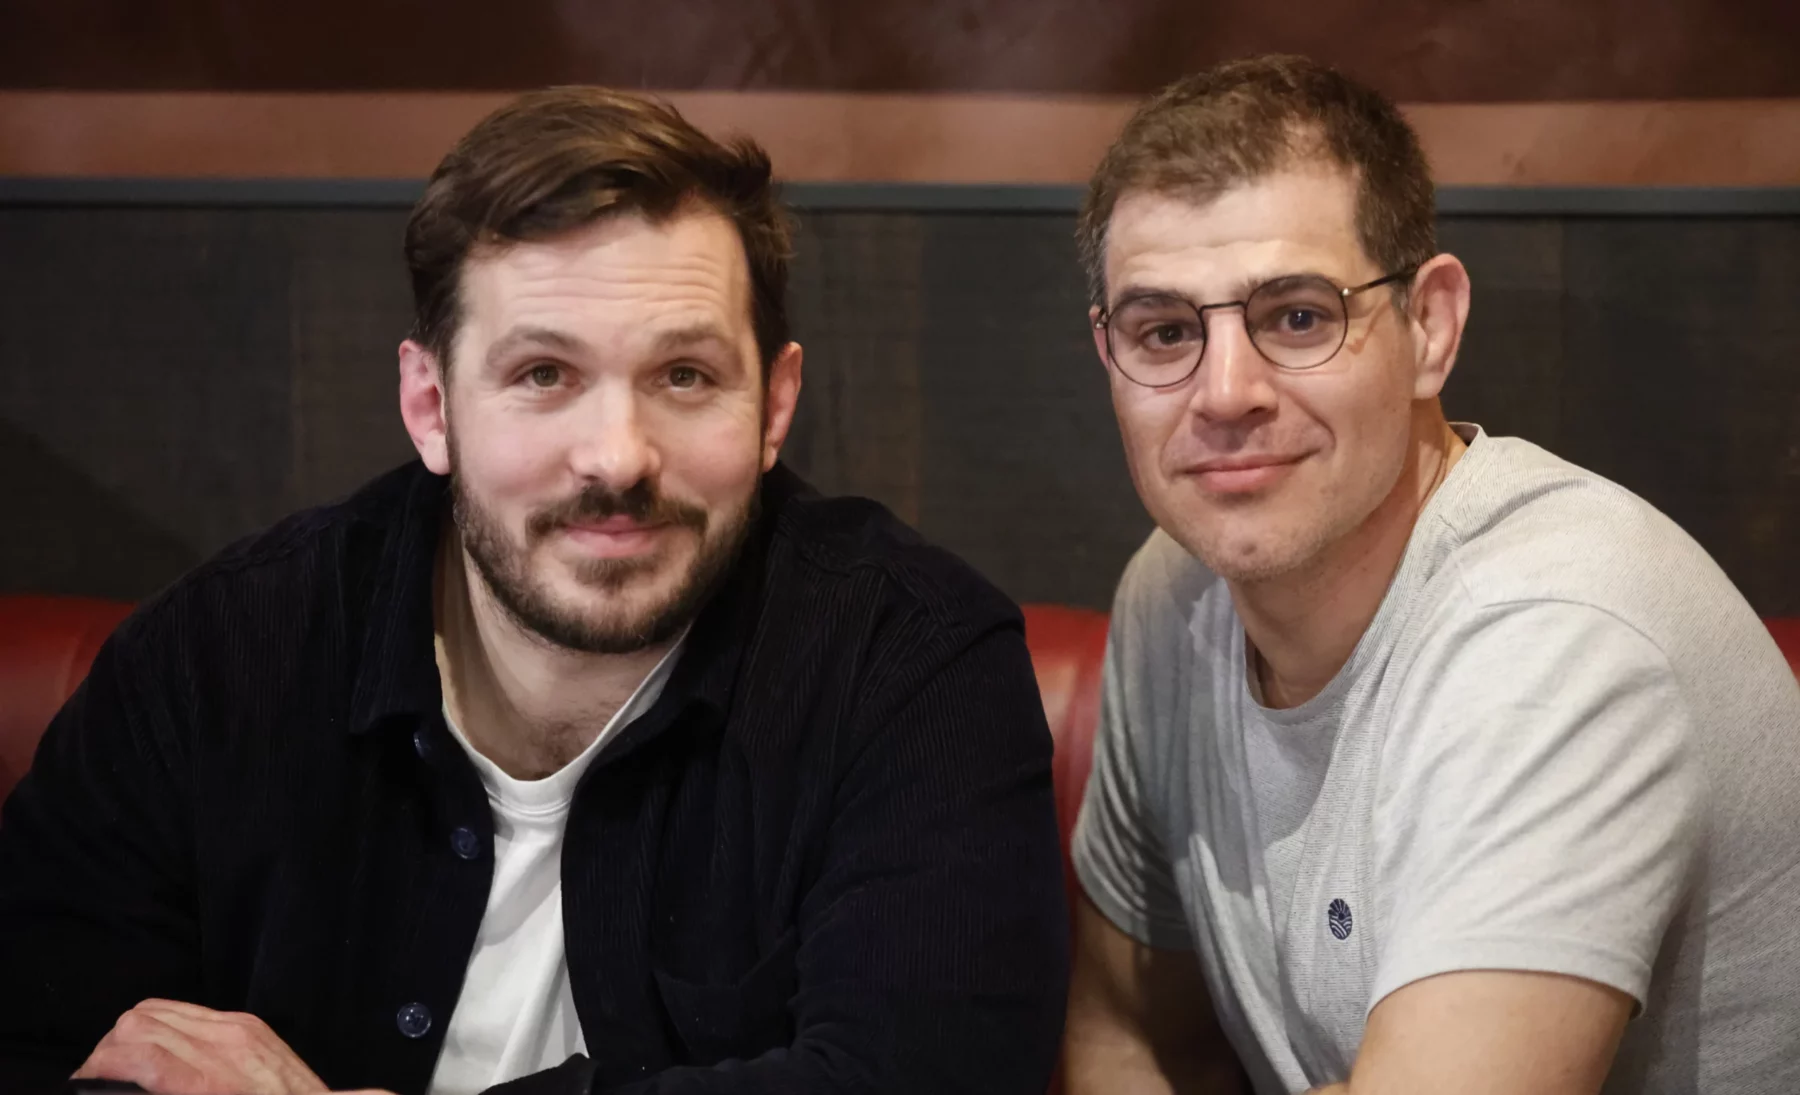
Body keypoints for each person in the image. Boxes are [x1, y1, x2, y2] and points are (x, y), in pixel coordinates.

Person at [0, 88, 1069, 1095]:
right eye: (542, 375)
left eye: (684, 375)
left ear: (775, 402)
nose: (616, 457)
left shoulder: (909, 662)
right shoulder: (218, 659)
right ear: (431, 406)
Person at [1062, 54, 1800, 1095]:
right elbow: (1131, 1038)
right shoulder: (1171, 597)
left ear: (1429, 328)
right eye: (1167, 331)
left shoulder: (1554, 637)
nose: (1224, 393)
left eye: (1298, 317)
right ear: (1109, 355)